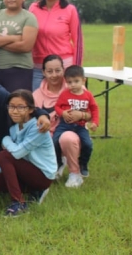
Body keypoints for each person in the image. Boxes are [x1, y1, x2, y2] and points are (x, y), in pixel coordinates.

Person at [0, 90, 57, 217]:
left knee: (3, 155)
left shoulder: (38, 127)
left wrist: (5, 140)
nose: (15, 111)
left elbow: (16, 153)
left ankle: (18, 203)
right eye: (11, 107)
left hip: (43, 175)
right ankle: (34, 192)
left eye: (21, 107)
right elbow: (13, 157)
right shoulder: (14, 129)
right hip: (27, 169)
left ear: (30, 109)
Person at [32, 55, 84, 187]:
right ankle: (55, 164)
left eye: (58, 70)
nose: (54, 75)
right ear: (43, 72)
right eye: (49, 71)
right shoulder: (36, 94)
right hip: (47, 133)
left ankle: (75, 173)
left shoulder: (76, 88)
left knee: (66, 138)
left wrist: (81, 114)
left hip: (72, 131)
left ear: (63, 70)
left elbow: (90, 111)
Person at [29, 0, 83, 91]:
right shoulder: (34, 8)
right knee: (38, 105)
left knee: (62, 105)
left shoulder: (70, 10)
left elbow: (78, 41)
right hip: (38, 66)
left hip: (63, 66)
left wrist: (77, 69)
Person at [54, 65, 99, 187]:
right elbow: (57, 106)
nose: (72, 85)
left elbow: (94, 109)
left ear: (83, 80)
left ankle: (83, 164)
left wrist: (95, 122)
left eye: (76, 81)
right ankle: (58, 163)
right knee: (54, 140)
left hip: (80, 126)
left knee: (88, 144)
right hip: (65, 125)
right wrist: (62, 113)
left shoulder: (88, 95)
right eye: (69, 82)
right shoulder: (65, 94)